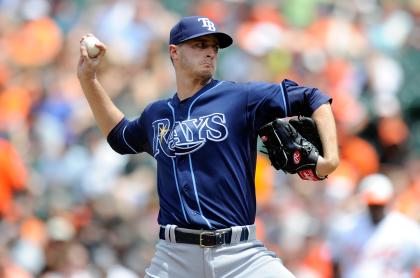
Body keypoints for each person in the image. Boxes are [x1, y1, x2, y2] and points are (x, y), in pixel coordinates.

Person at [77, 16, 339, 278]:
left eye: (214, 47)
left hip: (240, 255)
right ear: (174, 52)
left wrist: (331, 158)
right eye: (200, 45)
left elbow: (313, 97)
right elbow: (120, 137)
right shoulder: (157, 114)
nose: (210, 52)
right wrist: (89, 80)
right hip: (174, 257)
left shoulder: (240, 98)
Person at [328, 173, 420, 278]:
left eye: (380, 205)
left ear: (390, 201)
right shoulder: (345, 227)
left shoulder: (408, 230)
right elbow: (335, 261)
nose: (376, 209)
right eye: (372, 205)